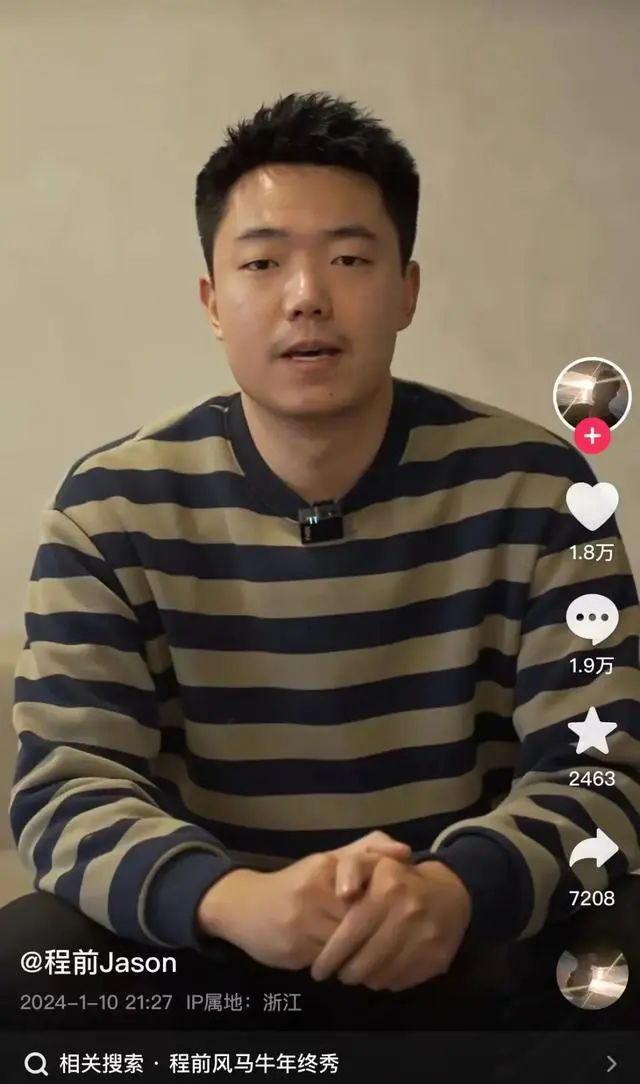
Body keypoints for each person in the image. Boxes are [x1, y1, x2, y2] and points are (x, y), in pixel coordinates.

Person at [3, 91, 640, 1030]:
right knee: (29, 963)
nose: (306, 295)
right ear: (213, 302)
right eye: (263, 262)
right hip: (218, 947)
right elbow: (66, 784)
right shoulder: (111, 506)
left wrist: (454, 892)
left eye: (348, 258)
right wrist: (232, 901)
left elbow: (600, 771)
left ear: (407, 290)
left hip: (466, 940)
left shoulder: (543, 490)